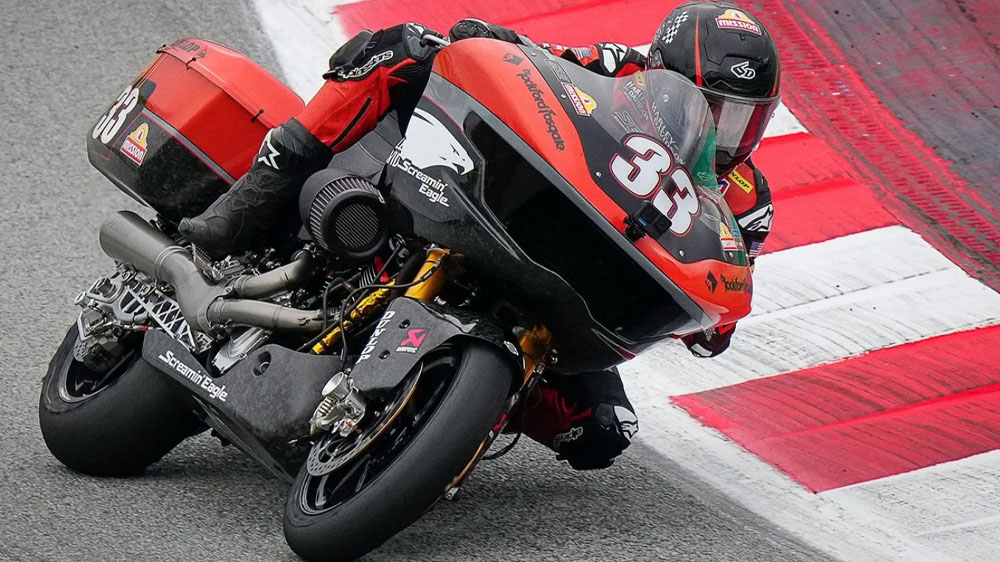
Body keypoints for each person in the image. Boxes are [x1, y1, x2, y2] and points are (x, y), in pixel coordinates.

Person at [178, 1, 780, 471]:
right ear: (661, 74)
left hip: (578, 298)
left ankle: (446, 413)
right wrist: (496, 39)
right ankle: (255, 197)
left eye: (744, 119)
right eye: (712, 109)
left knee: (601, 431)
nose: (724, 134)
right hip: (515, 215)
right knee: (408, 45)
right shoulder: (620, 69)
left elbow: (716, 312)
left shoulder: (747, 202)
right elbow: (541, 64)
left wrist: (710, 318)